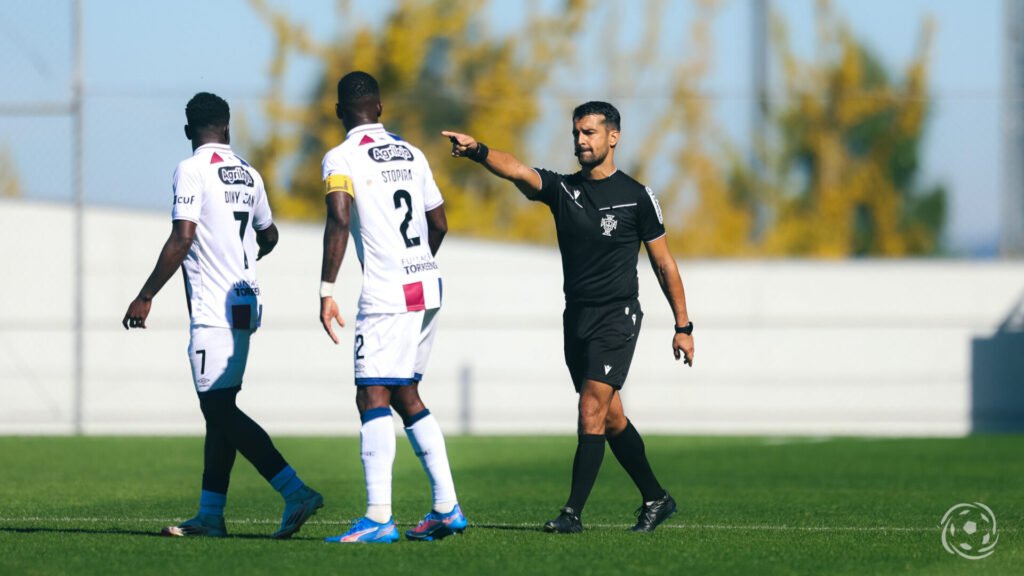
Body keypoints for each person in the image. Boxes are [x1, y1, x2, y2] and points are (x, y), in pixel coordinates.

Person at [442, 101, 695, 533]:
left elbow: (664, 264)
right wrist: (478, 151)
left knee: (590, 409)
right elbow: (517, 171)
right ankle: (656, 498)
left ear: (613, 137)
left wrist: (683, 326)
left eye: (589, 132)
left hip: (617, 317)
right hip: (576, 319)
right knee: (611, 418)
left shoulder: (637, 196)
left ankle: (572, 514)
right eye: (576, 133)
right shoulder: (564, 190)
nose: (580, 141)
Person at [122, 92, 323, 539]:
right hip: (245, 302)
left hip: (214, 308)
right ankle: (210, 515)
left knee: (217, 408)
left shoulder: (191, 169)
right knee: (220, 410)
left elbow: (183, 237)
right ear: (227, 128)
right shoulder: (249, 173)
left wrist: (146, 295)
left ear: (188, 131)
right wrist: (243, 256)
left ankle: (295, 491)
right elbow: (269, 235)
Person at [318, 71, 467, 544]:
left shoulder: (340, 157)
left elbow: (339, 218)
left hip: (387, 293)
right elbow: (439, 223)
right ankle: (446, 508)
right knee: (406, 394)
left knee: (371, 395)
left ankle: (379, 517)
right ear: (379, 108)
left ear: (340, 112)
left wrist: (326, 289)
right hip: (427, 284)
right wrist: (415, 264)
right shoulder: (411, 152)